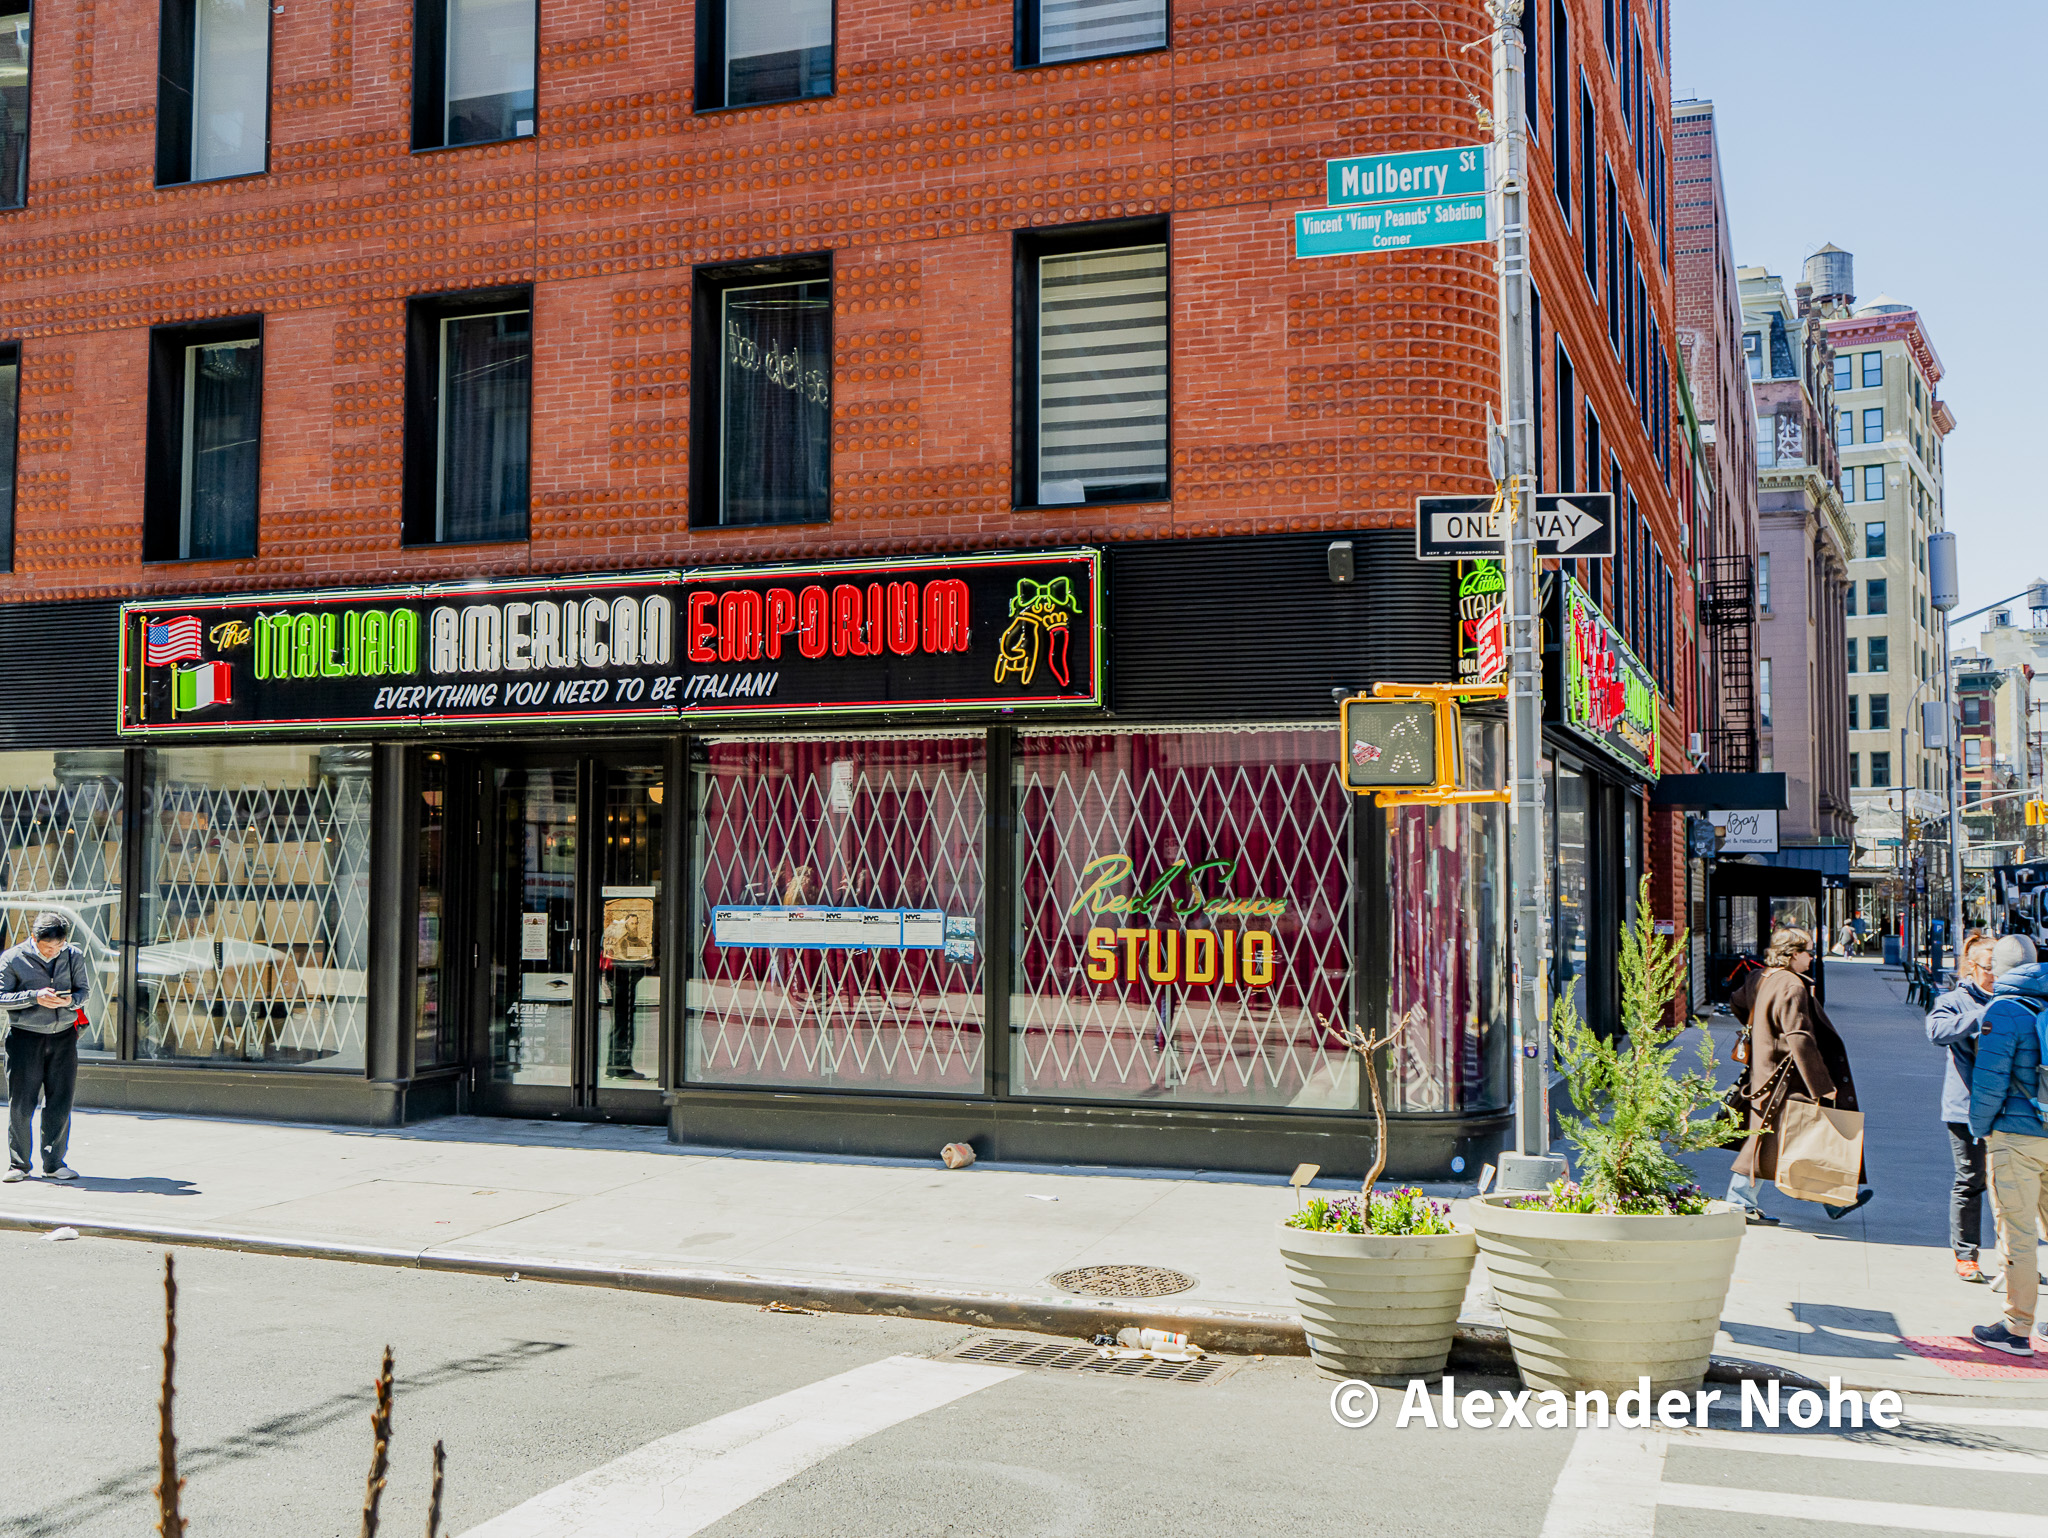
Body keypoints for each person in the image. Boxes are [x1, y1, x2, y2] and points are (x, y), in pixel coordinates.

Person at [1727, 926, 1874, 1224]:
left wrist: (1763, 1032)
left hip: (1765, 1073)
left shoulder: (1760, 976)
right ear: (1793, 955)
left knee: (1787, 1136)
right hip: (1786, 1077)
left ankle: (1830, 1198)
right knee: (1788, 1136)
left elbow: (1737, 1002)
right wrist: (1822, 1086)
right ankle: (1739, 1202)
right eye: (1808, 952)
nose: (1811, 958)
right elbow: (1800, 1038)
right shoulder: (1792, 986)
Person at [1966, 934, 2048, 1356]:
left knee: (2017, 1234)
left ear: (1998, 967)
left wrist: (1980, 1128)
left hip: (2016, 1138)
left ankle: (2017, 1329)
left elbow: (1990, 1081)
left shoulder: (2004, 1010)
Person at [1, 912, 93, 1182]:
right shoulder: (13, 957)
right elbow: (1, 997)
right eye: (47, 947)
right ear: (34, 939)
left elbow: (83, 991)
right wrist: (34, 997)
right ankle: (19, 1164)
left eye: (58, 947)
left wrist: (70, 1002)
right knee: (22, 1103)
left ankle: (54, 1163)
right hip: (25, 1038)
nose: (53, 952)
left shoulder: (73, 955)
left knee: (60, 1101)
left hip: (64, 1036)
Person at [1929, 933, 1999, 1282]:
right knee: (1971, 1180)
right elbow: (1936, 1030)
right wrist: (1981, 1016)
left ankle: (2014, 1259)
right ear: (1972, 967)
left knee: (2011, 1185)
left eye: (2000, 967)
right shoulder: (1955, 1000)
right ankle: (1966, 1254)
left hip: (2007, 1107)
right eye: (1989, 968)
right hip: (1965, 1108)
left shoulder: (2012, 998)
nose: (1996, 975)